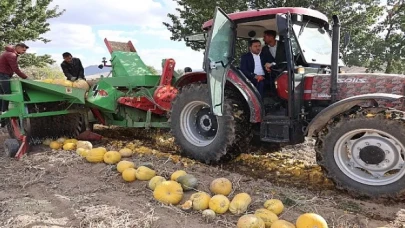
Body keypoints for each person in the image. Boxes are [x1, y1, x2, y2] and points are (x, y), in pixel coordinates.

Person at [0, 43, 30, 122]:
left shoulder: (10, 53)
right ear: (18, 48)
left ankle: (3, 115)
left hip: (4, 75)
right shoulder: (11, 55)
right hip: (2, 75)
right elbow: (16, 69)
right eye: (23, 50)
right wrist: (26, 78)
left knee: (3, 94)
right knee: (7, 94)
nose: (24, 52)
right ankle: (4, 115)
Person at [260, 30, 287, 96]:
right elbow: (263, 61)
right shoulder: (264, 49)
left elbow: (288, 60)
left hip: (284, 74)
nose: (263, 39)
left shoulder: (284, 46)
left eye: (265, 37)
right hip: (271, 75)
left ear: (271, 37)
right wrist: (265, 66)